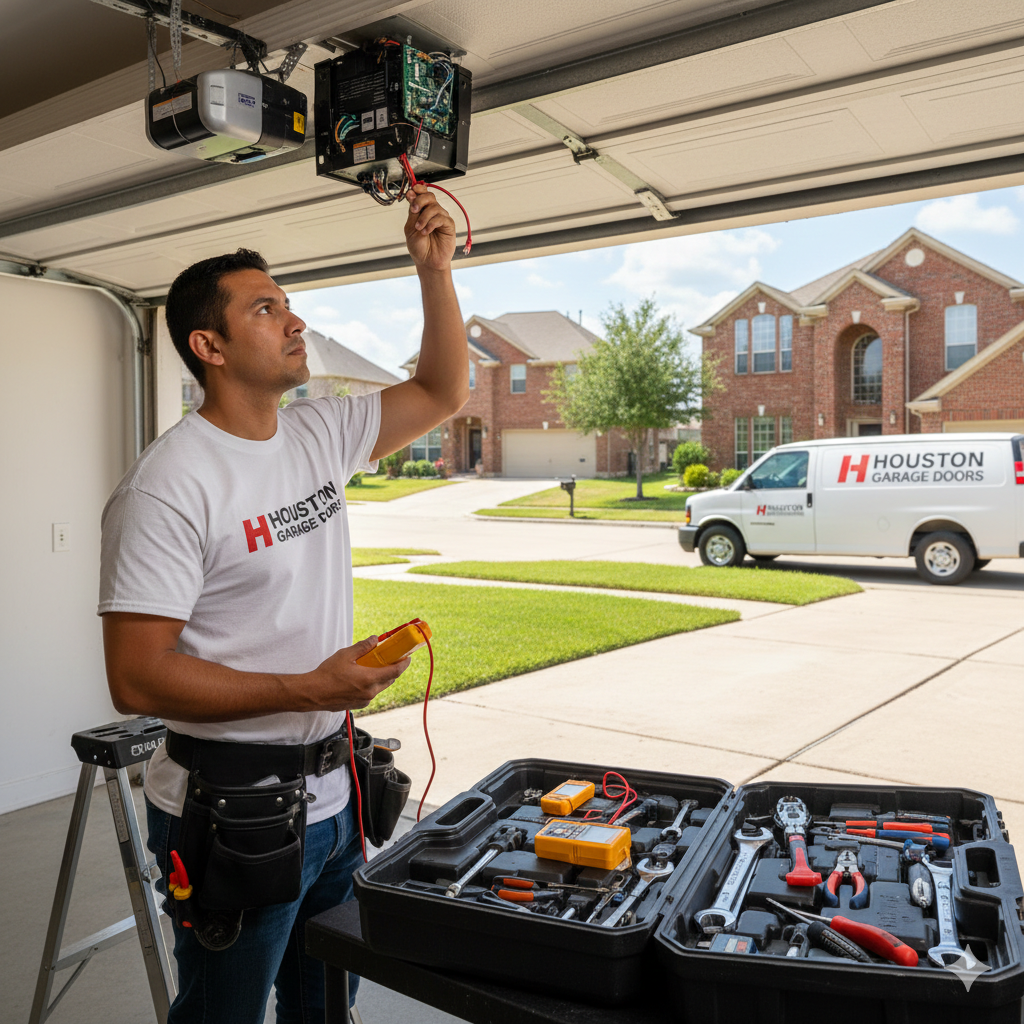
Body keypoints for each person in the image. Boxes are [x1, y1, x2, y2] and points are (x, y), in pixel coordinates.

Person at [98, 182, 468, 1023]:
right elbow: (138, 680)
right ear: (210, 346)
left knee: (325, 1012)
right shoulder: (167, 487)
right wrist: (310, 687)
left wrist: (433, 270)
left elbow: (443, 391)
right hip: (230, 817)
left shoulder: (316, 433)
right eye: (267, 309)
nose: (295, 322)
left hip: (336, 805)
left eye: (290, 304)